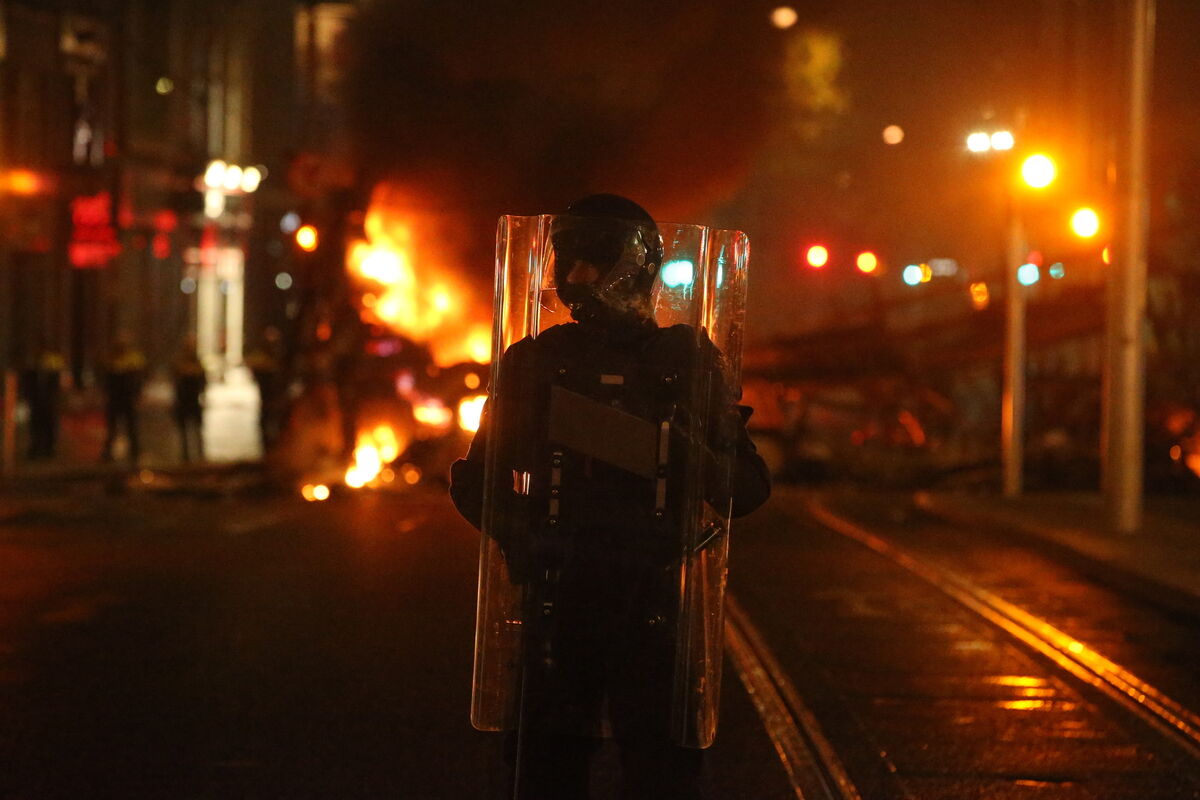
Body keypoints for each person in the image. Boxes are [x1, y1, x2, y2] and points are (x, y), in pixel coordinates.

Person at [450, 195, 770, 798]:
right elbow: (478, 482)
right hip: (558, 606)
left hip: (648, 607)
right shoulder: (536, 362)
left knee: (659, 775)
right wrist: (531, 542)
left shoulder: (682, 361)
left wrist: (675, 451)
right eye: (566, 262)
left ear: (635, 267)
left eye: (592, 262)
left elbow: (748, 488)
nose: (573, 280)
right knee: (546, 771)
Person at [101, 332, 146, 463]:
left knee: (131, 427)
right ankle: (109, 452)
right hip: (114, 399)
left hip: (128, 399)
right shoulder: (110, 361)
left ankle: (135, 451)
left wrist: (137, 395)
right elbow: (106, 382)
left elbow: (138, 382)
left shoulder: (133, 361)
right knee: (112, 428)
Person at [245, 326, 285, 453]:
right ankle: (267, 447)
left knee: (275, 423)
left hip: (277, 397)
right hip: (267, 397)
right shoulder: (262, 357)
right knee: (266, 422)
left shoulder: (279, 355)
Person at [23, 348, 66, 460]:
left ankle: (48, 449)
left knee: (49, 427)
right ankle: (36, 448)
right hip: (37, 405)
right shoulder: (32, 373)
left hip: (48, 405)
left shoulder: (52, 374)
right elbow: (28, 388)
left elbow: (55, 390)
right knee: (36, 427)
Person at [172, 335, 206, 463]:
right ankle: (185, 455)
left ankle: (199, 453)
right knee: (184, 431)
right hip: (183, 401)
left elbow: (203, 381)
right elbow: (176, 382)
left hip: (193, 401)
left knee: (197, 429)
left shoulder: (197, 363)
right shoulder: (180, 363)